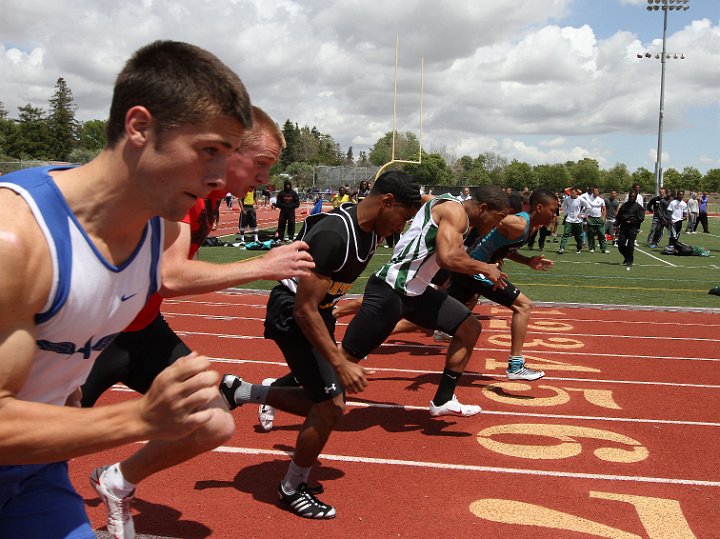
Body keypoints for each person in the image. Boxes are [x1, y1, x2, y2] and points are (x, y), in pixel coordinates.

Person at [0, 40, 252, 539]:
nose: (219, 178)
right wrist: (140, 417)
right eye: (208, 152)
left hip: (37, 473)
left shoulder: (157, 234)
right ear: (139, 127)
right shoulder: (17, 239)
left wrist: (65, 389)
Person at [79, 107, 314, 537]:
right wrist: (260, 265)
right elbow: (169, 275)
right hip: (93, 336)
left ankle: (117, 480)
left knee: (214, 419)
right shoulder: (178, 189)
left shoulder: (204, 195)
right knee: (38, 454)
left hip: (143, 330)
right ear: (227, 152)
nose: (264, 179)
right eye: (261, 165)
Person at [220, 171, 423, 519]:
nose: (401, 228)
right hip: (294, 312)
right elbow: (303, 308)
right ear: (387, 202)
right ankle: (290, 489)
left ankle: (242, 392)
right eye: (402, 218)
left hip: (318, 310)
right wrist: (341, 362)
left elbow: (323, 296)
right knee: (330, 407)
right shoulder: (336, 234)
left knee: (327, 402)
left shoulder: (373, 229)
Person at [335, 185, 509, 422]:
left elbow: (425, 199)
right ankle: (275, 390)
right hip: (392, 290)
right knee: (345, 359)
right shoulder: (457, 213)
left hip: (416, 292)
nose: (498, 225)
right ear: (484, 207)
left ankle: (443, 400)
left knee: (469, 328)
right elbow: (446, 257)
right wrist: (484, 268)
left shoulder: (447, 203)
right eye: (498, 218)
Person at [442, 188, 558, 381]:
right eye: (553, 210)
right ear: (539, 207)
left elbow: (507, 249)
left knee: (423, 316)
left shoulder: (532, 228)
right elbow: (493, 219)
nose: (555, 215)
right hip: (475, 270)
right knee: (524, 306)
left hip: (474, 271)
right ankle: (515, 366)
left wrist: (528, 261)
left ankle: (376, 334)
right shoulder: (519, 223)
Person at [615, 190, 645, 269]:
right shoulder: (624, 205)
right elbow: (619, 216)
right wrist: (616, 224)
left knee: (630, 244)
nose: (632, 197)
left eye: (633, 196)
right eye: (630, 196)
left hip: (633, 227)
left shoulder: (638, 207)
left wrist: (632, 221)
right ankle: (627, 256)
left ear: (635, 197)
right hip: (624, 226)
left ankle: (629, 261)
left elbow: (641, 218)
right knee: (620, 244)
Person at [557, 187, 588, 254]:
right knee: (565, 234)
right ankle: (562, 248)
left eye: (573, 192)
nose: (572, 194)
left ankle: (579, 248)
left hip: (577, 221)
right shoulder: (567, 199)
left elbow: (588, 207)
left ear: (577, 193)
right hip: (569, 220)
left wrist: (582, 214)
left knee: (578, 236)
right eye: (571, 192)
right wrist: (566, 213)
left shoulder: (580, 199)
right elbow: (563, 206)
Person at [584, 186, 607, 253]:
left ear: (598, 192)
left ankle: (603, 249)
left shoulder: (601, 200)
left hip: (599, 218)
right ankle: (591, 248)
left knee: (602, 234)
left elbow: (604, 209)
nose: (595, 192)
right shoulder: (588, 200)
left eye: (596, 191)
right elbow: (585, 209)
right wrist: (587, 218)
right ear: (592, 192)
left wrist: (603, 218)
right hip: (591, 218)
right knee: (590, 234)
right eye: (594, 191)